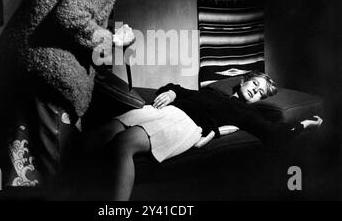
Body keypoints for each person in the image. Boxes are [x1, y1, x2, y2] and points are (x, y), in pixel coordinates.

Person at [0, 0, 138, 184]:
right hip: (46, 84)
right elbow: (70, 17)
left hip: (15, 74)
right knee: (52, 175)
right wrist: (115, 39)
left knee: (19, 169)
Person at [80, 71, 323, 200]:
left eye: (260, 93)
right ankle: (66, 181)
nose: (255, 91)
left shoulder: (246, 114)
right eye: (255, 85)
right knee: (104, 131)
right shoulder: (212, 92)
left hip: (183, 123)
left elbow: (275, 135)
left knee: (124, 143)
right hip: (163, 110)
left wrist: (304, 125)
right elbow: (176, 88)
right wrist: (173, 94)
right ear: (243, 81)